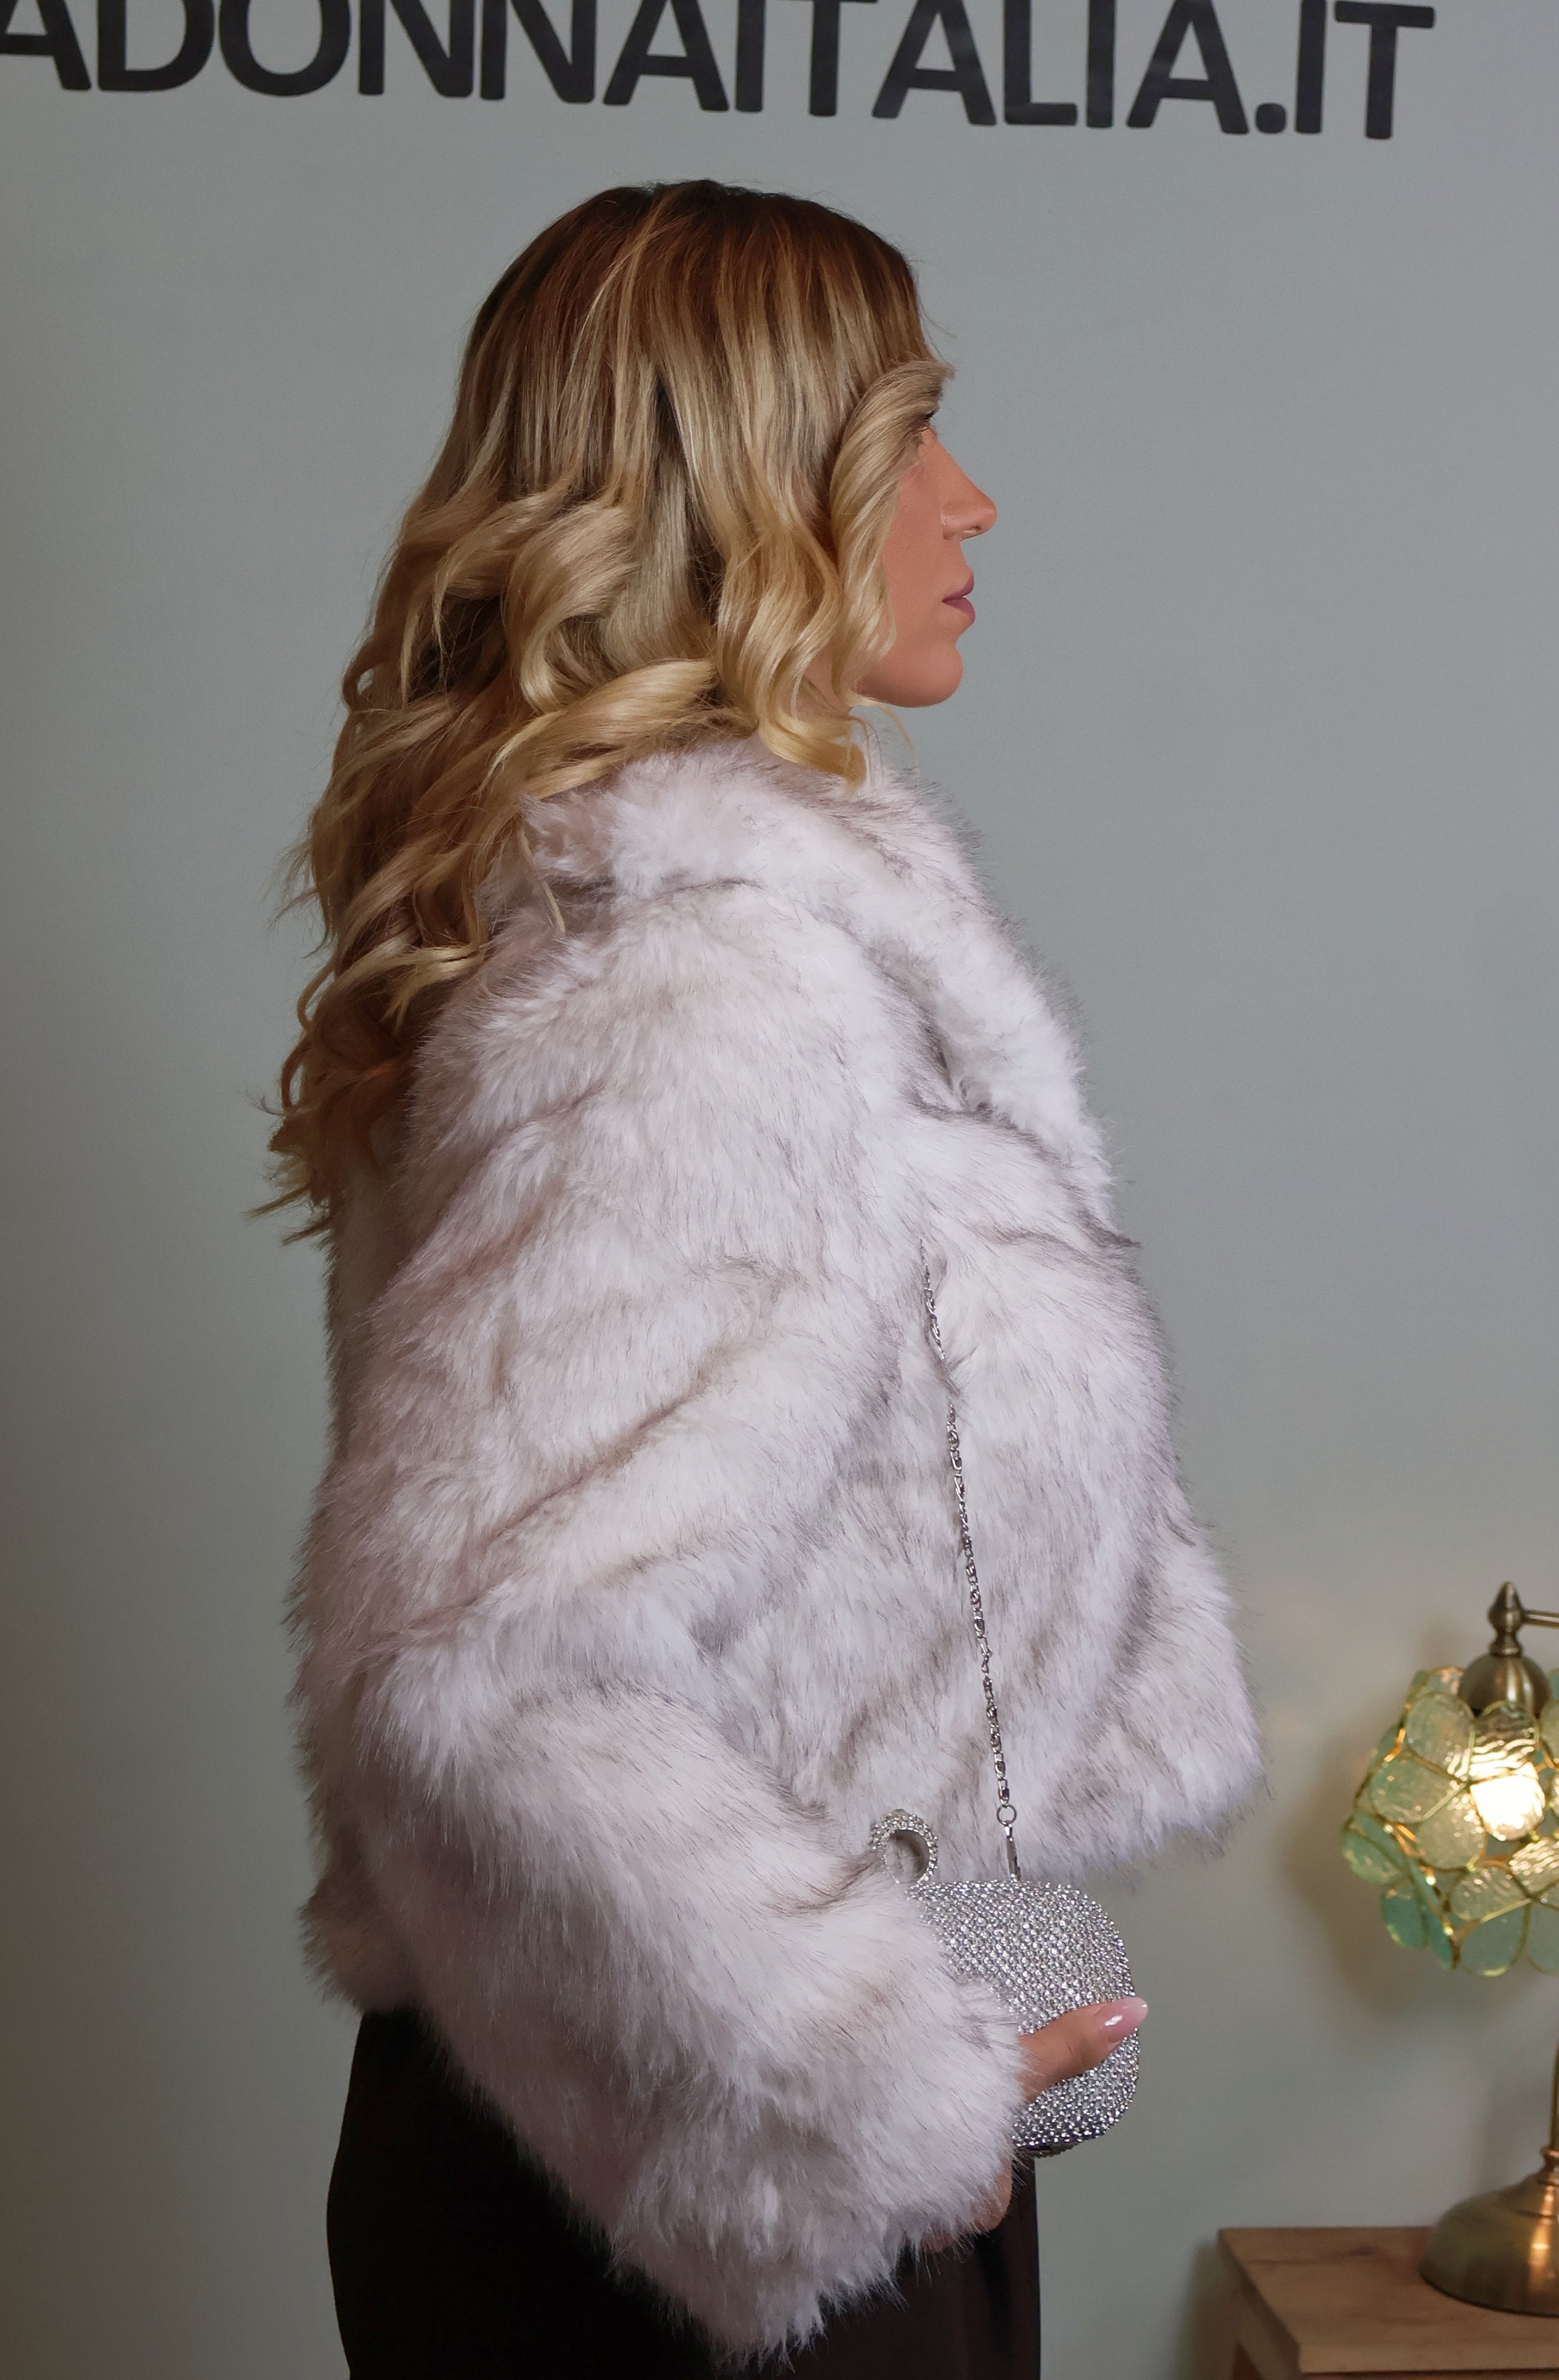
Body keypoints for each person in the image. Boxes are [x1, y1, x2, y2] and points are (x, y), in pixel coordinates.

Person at [271, 180, 1258, 2379]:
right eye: (914, 435)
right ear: (753, 486)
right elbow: (478, 1677)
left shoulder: (658, 924)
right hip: (699, 2197)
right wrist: (861, 2088)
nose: (971, 500)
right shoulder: (703, 989)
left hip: (650, 2142)